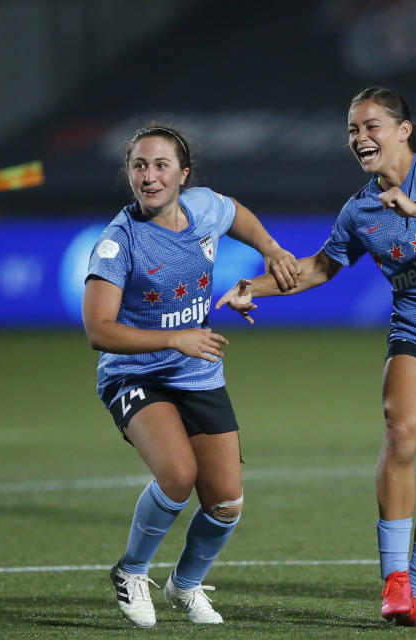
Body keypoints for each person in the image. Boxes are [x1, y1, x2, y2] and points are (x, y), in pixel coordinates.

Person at [217, 87, 416, 628]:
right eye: (353, 130)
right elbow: (319, 269)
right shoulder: (359, 209)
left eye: (371, 126)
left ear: (403, 129)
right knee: (400, 434)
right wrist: (251, 288)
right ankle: (397, 587)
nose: (359, 138)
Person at [82, 124, 299, 628]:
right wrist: (174, 338)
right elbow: (98, 330)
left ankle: (186, 583)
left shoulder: (202, 208)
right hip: (134, 373)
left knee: (226, 502)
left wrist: (269, 247)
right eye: (139, 165)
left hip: (195, 369)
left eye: (161, 166)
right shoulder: (118, 244)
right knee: (177, 475)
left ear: (183, 174)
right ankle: (132, 571)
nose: (149, 176)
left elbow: (236, 213)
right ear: (129, 174)